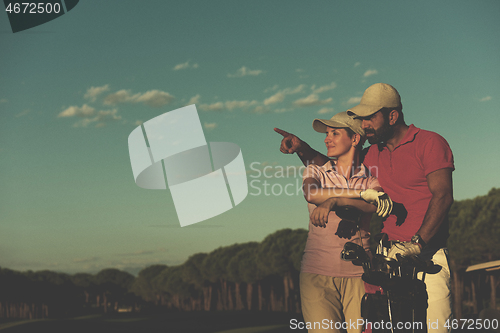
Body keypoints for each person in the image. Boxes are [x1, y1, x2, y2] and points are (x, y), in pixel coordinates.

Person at [275, 83, 454, 332]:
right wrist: (302, 148)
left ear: (392, 116)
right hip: (388, 259)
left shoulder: (429, 142)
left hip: (427, 255)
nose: (365, 124)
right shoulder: (372, 154)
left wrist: (417, 243)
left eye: (370, 117)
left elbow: (443, 195)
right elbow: (333, 165)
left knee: (438, 328)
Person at [296, 111, 392, 333]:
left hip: (361, 276)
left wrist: (335, 201)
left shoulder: (372, 179)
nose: (326, 139)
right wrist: (358, 194)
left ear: (355, 139)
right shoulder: (316, 171)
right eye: (327, 134)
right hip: (316, 276)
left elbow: (373, 205)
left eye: (334, 133)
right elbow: (311, 194)